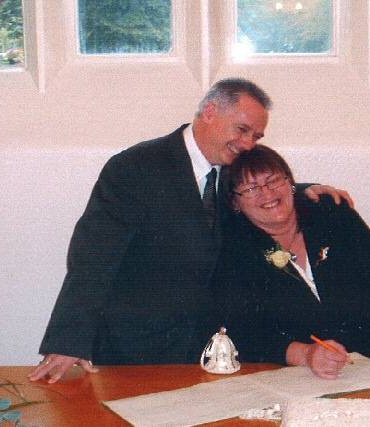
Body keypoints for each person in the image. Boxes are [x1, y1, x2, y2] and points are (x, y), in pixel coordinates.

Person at [29, 78, 353, 383]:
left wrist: (309, 190)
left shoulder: (231, 171)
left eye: (255, 136)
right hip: (135, 349)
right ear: (210, 112)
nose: (247, 144)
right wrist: (69, 340)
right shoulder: (135, 168)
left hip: (208, 348)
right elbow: (93, 258)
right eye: (242, 130)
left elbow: (260, 193)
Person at [213, 144, 370, 380]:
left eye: (273, 181)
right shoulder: (236, 252)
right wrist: (304, 354)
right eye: (251, 188)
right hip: (293, 378)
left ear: (291, 183)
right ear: (235, 203)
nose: (267, 193)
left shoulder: (335, 216)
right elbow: (242, 331)